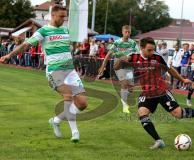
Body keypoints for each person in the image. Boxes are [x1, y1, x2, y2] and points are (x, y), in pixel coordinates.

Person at [0, 5, 87, 143]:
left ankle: (56, 120)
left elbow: (68, 47)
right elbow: (26, 45)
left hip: (70, 71)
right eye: (61, 16)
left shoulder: (65, 30)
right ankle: (75, 132)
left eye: (65, 17)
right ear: (52, 15)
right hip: (54, 71)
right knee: (68, 95)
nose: (64, 19)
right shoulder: (43, 31)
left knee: (82, 104)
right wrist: (9, 55)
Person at [114, 37, 194, 149]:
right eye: (149, 50)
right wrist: (122, 60)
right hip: (147, 93)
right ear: (141, 48)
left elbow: (169, 69)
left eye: (153, 49)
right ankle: (159, 141)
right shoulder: (133, 57)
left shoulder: (157, 57)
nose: (152, 52)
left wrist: (182, 80)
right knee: (142, 114)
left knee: (178, 114)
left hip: (161, 90)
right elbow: (117, 67)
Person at [98, 25, 139, 114]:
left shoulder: (133, 43)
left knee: (131, 88)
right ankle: (125, 105)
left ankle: (126, 94)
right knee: (124, 83)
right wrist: (102, 66)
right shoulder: (117, 43)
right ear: (122, 32)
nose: (127, 34)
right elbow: (108, 55)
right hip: (119, 65)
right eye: (126, 32)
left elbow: (138, 55)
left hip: (129, 67)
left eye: (129, 32)